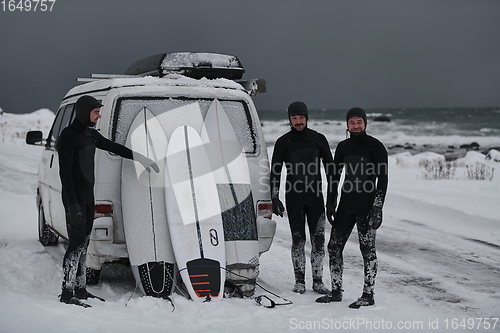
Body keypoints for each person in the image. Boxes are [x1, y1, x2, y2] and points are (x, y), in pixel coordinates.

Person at [57, 95, 159, 307]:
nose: (99, 115)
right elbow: (65, 175)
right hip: (74, 198)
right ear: (85, 112)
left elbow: (116, 148)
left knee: (84, 243)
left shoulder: (91, 135)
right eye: (96, 112)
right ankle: (67, 292)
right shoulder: (68, 136)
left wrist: (142, 158)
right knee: (75, 244)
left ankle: (81, 288)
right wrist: (73, 204)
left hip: (87, 197)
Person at [316, 107, 388, 309]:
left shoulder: (376, 147)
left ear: (365, 123)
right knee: (334, 247)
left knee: (367, 250)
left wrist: (377, 207)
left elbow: (383, 180)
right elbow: (335, 177)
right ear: (347, 125)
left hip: (367, 205)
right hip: (346, 204)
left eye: (359, 122)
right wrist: (331, 201)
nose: (356, 126)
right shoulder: (343, 147)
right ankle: (336, 291)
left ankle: (368, 294)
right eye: (352, 123)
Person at [270, 101, 335, 295]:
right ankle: (299, 281)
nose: (298, 121)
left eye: (301, 117)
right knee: (298, 240)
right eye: (294, 118)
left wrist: (331, 200)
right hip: (294, 197)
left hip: (316, 197)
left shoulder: (318, 139)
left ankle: (317, 281)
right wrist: (274, 196)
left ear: (307, 117)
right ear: (289, 119)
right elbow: (275, 171)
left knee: (319, 240)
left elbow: (331, 171)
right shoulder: (283, 142)